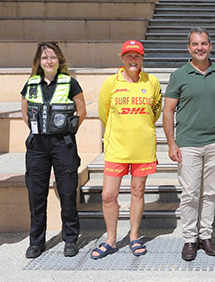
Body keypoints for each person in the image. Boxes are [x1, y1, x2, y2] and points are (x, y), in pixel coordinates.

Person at [163, 27, 215, 261]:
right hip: (188, 144)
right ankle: (189, 238)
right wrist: (171, 143)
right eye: (195, 44)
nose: (200, 48)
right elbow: (168, 110)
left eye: (204, 43)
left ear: (210, 46)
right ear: (189, 48)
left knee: (210, 192)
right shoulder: (179, 75)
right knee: (190, 193)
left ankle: (206, 236)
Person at [92, 40, 162, 259]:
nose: (133, 60)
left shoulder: (152, 82)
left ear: (143, 58)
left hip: (142, 148)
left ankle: (133, 236)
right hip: (116, 148)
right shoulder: (110, 83)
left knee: (137, 192)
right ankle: (111, 240)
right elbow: (104, 113)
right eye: (129, 56)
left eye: (137, 56)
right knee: (108, 195)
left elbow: (155, 111)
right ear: (122, 58)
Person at [21, 42, 86, 259]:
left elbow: (81, 111)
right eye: (44, 58)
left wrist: (67, 129)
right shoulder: (30, 84)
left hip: (63, 144)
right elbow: (25, 113)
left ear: (60, 60)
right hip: (37, 145)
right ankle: (36, 242)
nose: (49, 61)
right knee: (36, 193)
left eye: (53, 57)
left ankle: (70, 238)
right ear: (38, 62)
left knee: (67, 191)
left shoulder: (71, 83)